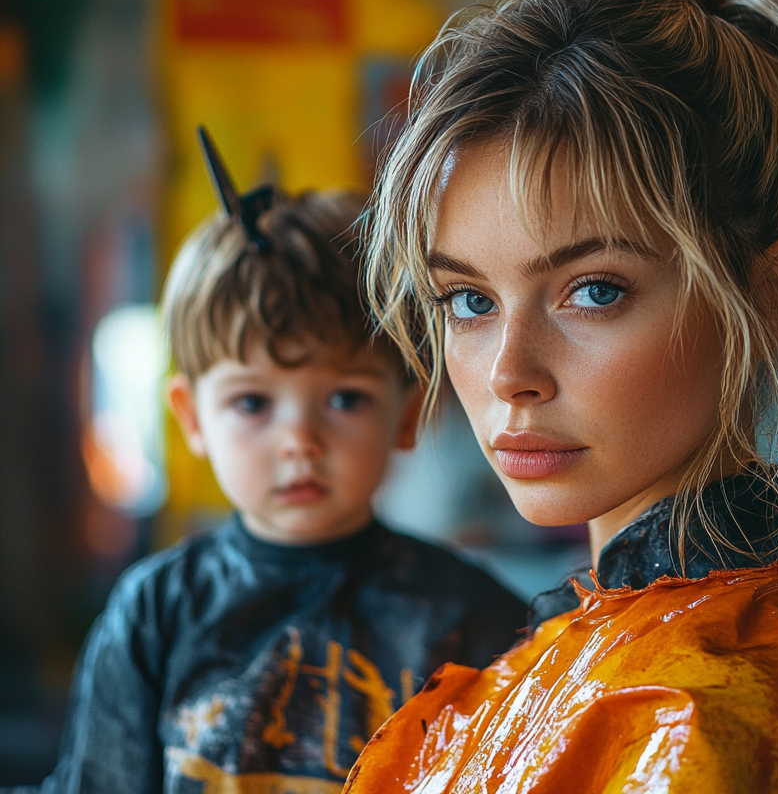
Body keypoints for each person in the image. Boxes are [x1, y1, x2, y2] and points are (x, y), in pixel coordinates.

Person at [344, 0, 778, 792]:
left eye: (592, 291)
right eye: (469, 301)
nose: (509, 375)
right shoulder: (631, 655)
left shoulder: (691, 721)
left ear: (769, 295)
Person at [10, 160, 527, 794]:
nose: (300, 443)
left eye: (345, 400)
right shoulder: (156, 613)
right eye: (253, 404)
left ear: (407, 413)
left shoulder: (471, 620)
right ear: (191, 418)